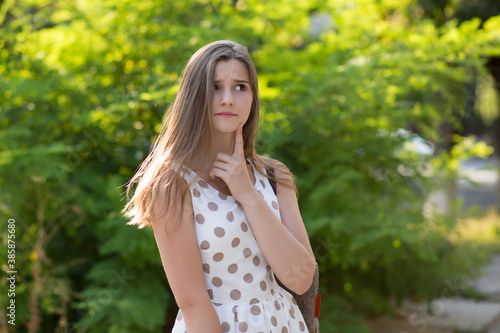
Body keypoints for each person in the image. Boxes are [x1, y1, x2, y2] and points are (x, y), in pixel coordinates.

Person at [122, 40, 316, 332]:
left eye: (240, 87)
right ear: (194, 96)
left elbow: (301, 279)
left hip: (284, 322)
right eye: (215, 87)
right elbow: (192, 303)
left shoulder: (276, 177)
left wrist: (248, 195)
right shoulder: (171, 184)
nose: (228, 99)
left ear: (252, 98)